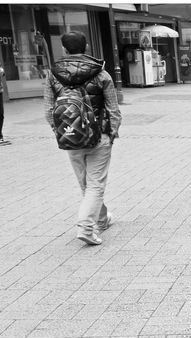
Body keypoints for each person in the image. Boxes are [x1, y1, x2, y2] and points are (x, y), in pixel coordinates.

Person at [44, 30, 121, 246]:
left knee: (87, 184)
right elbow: (113, 110)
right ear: (86, 47)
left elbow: (49, 110)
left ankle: (102, 219)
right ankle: (87, 228)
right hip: (99, 136)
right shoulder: (101, 74)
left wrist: (59, 130)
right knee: (95, 185)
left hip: (70, 136)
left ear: (65, 50)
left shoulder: (53, 74)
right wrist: (111, 133)